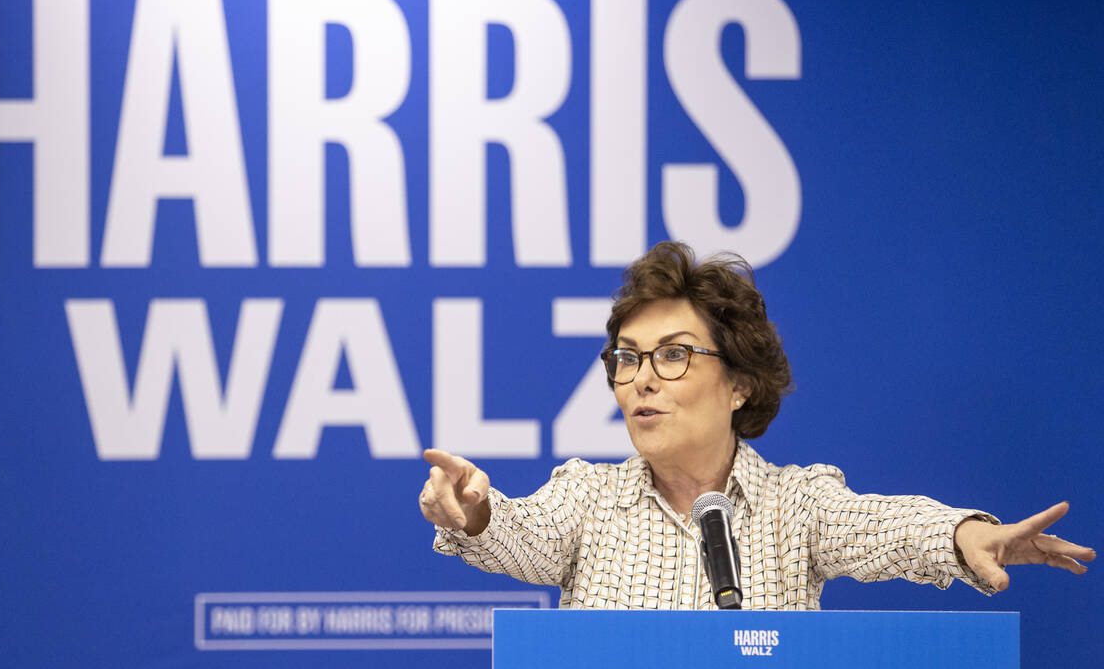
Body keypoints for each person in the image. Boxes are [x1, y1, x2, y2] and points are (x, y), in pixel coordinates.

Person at [418, 241, 1094, 609]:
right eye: (627, 359)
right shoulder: (587, 499)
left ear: (739, 382)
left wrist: (965, 533)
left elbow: (883, 526)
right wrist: (473, 512)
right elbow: (518, 534)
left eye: (674, 354)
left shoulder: (795, 506)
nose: (641, 378)